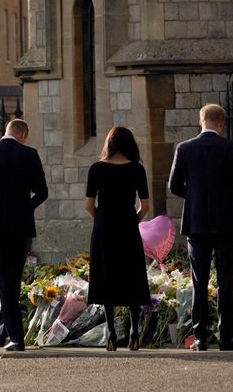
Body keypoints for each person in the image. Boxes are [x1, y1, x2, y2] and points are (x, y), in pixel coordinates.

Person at [168, 103, 233, 351]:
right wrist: (228, 198)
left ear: (200, 121)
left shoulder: (184, 148)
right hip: (225, 221)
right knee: (226, 281)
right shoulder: (231, 147)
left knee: (199, 281)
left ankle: (201, 337)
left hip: (196, 223)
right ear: (222, 122)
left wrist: (193, 199)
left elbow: (174, 186)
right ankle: (226, 338)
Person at [0, 119, 48, 352]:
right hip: (21, 225)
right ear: (22, 135)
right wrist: (26, 207)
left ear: (7, 132)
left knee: (5, 279)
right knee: (13, 279)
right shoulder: (30, 154)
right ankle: (11, 332)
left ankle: (11, 333)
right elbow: (42, 192)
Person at [84, 126, 150, 352]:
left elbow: (88, 204)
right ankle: (133, 331)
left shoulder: (96, 169)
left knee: (106, 274)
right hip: (127, 225)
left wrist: (102, 217)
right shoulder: (137, 170)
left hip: (104, 226)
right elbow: (145, 206)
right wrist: (134, 219)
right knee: (131, 273)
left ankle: (111, 333)